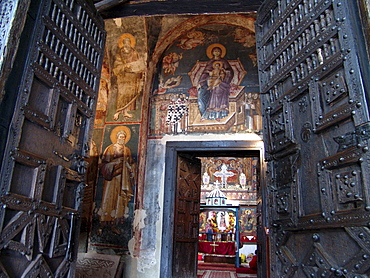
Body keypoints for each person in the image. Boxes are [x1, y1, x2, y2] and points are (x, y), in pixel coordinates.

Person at [99, 126, 135, 234]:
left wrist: (131, 167)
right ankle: (102, 225)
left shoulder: (127, 150)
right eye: (120, 137)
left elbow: (131, 163)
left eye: (124, 137)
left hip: (122, 179)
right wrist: (116, 162)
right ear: (116, 137)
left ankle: (114, 225)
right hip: (111, 178)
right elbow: (104, 165)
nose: (122, 139)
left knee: (119, 201)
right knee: (108, 200)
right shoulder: (110, 149)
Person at [197, 44, 234, 121]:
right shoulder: (211, 62)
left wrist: (224, 74)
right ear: (212, 52)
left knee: (217, 90)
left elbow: (230, 71)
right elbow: (205, 73)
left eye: (218, 51)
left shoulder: (224, 61)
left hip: (221, 82)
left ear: (221, 52)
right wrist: (202, 81)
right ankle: (205, 114)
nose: (216, 53)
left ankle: (219, 114)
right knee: (201, 94)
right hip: (210, 82)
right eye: (215, 51)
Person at [113, 33, 144, 120]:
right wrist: (125, 66)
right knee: (122, 94)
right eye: (125, 42)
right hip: (123, 77)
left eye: (128, 42)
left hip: (133, 77)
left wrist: (138, 69)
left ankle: (126, 112)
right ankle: (118, 112)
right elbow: (117, 65)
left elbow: (140, 64)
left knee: (131, 94)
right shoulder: (120, 54)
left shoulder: (134, 53)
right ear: (123, 43)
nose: (127, 44)